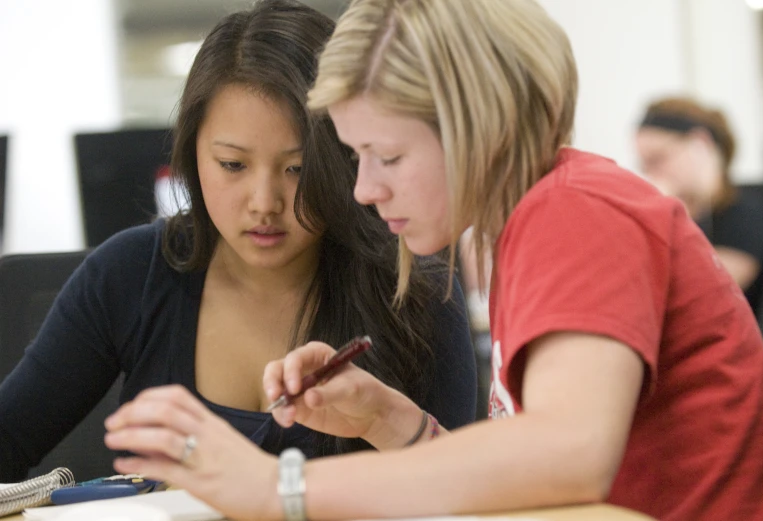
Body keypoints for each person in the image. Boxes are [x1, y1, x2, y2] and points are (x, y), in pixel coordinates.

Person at [104, 1, 763, 520]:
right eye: (356, 156)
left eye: (388, 156)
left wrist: (278, 487)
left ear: (477, 130)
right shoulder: (530, 223)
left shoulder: (575, 210)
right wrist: (385, 419)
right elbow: (517, 483)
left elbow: (568, 455)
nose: (365, 189)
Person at [0, 0, 478, 482]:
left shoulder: (414, 285)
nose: (264, 202)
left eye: (298, 169)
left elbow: (474, 488)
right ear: (190, 155)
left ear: (345, 159)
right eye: (232, 165)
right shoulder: (127, 273)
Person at [636, 96, 763, 316]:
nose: (650, 173)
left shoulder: (744, 212)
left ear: (700, 144)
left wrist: (662, 213)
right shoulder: (692, 215)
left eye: (657, 159)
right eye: (644, 163)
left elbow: (701, 295)